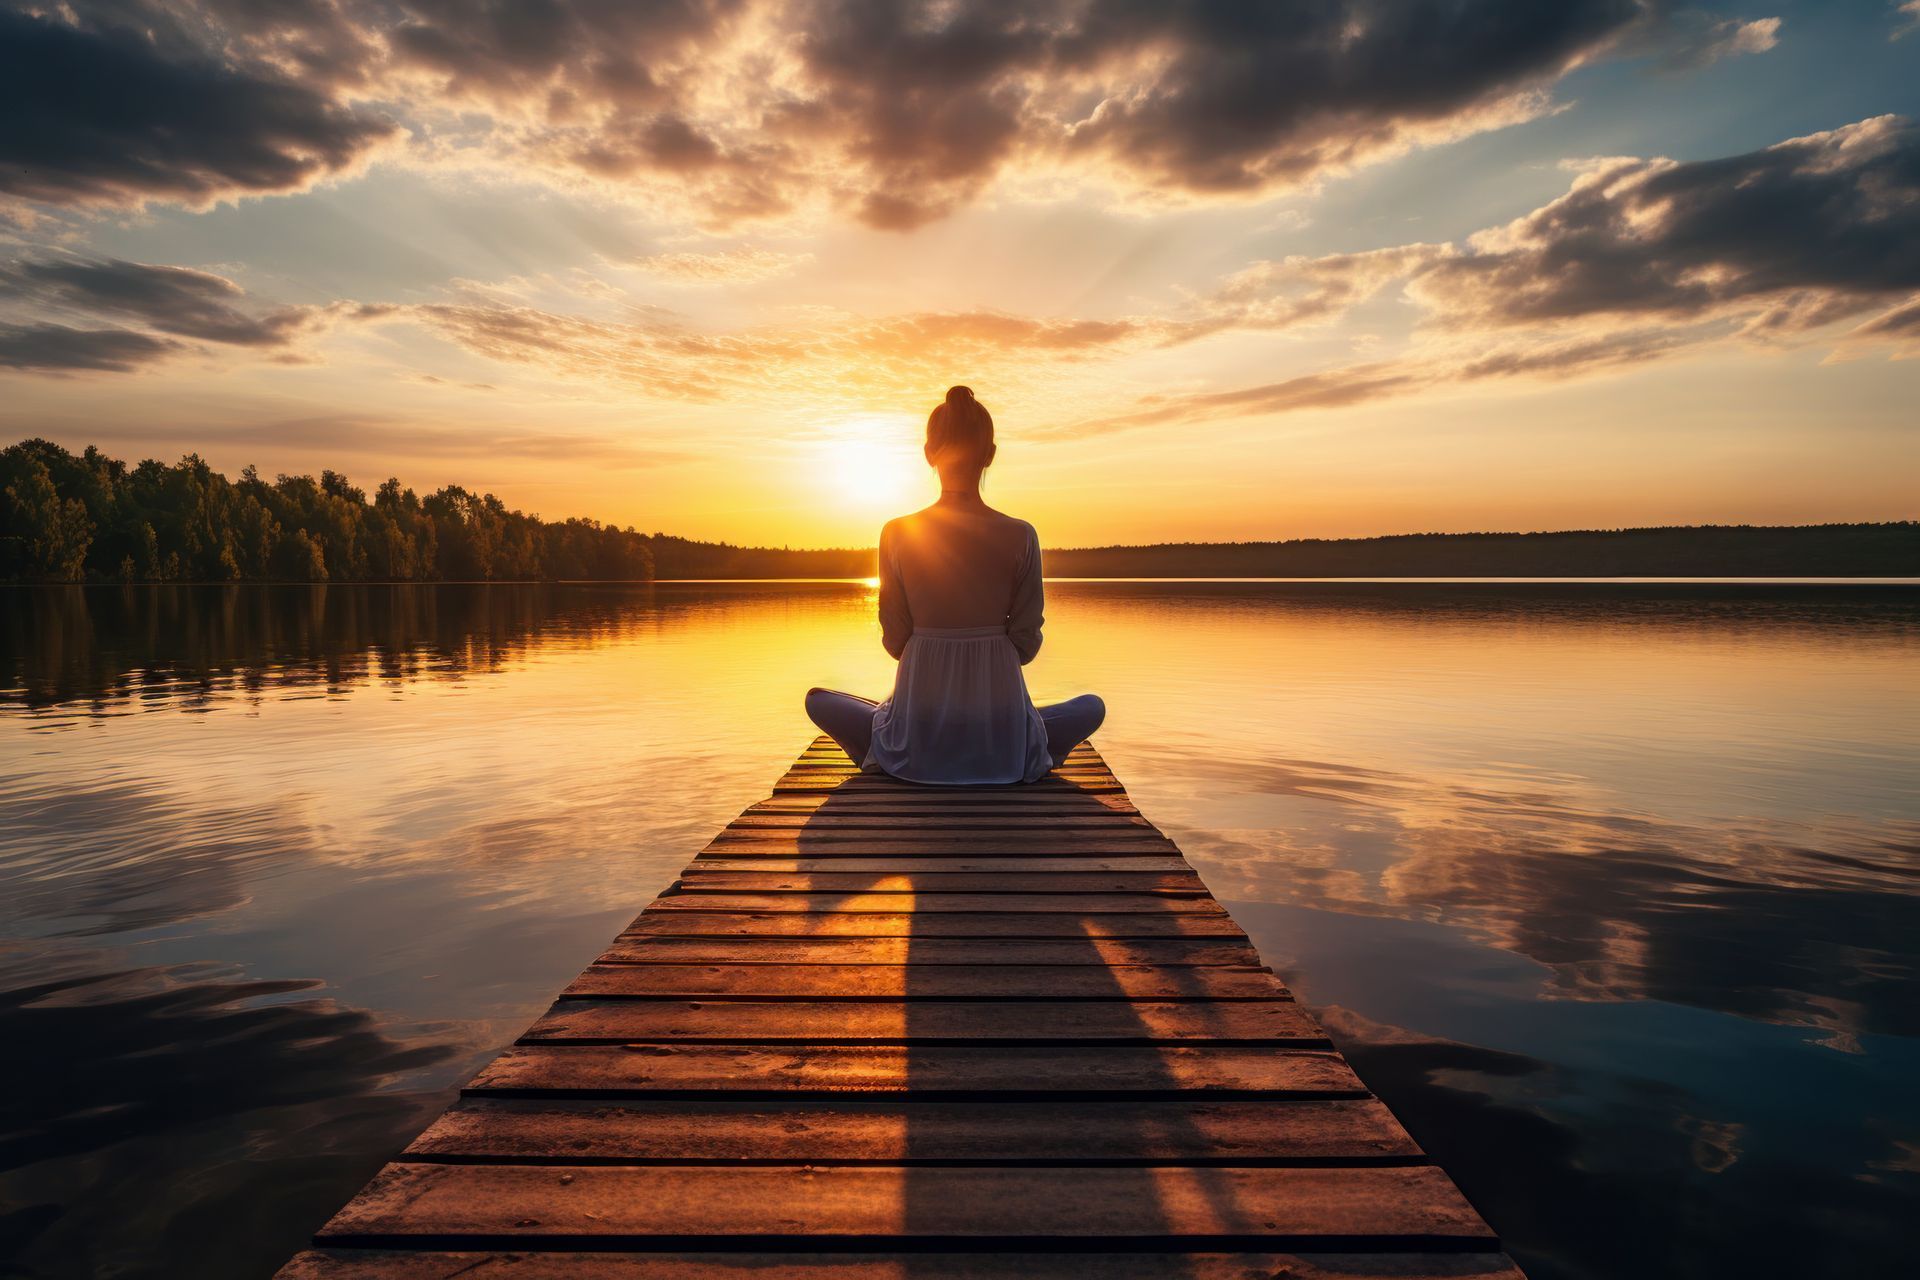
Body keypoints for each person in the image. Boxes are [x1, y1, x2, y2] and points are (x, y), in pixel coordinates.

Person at [805, 386, 1105, 784]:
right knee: (1091, 706)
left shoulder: (897, 533)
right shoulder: (1021, 534)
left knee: (820, 701)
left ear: (929, 453)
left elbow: (895, 641)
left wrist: (935, 660)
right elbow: (1027, 644)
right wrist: (986, 660)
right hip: (1002, 741)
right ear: (990, 455)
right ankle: (1029, 741)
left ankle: (886, 737)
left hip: (917, 741)